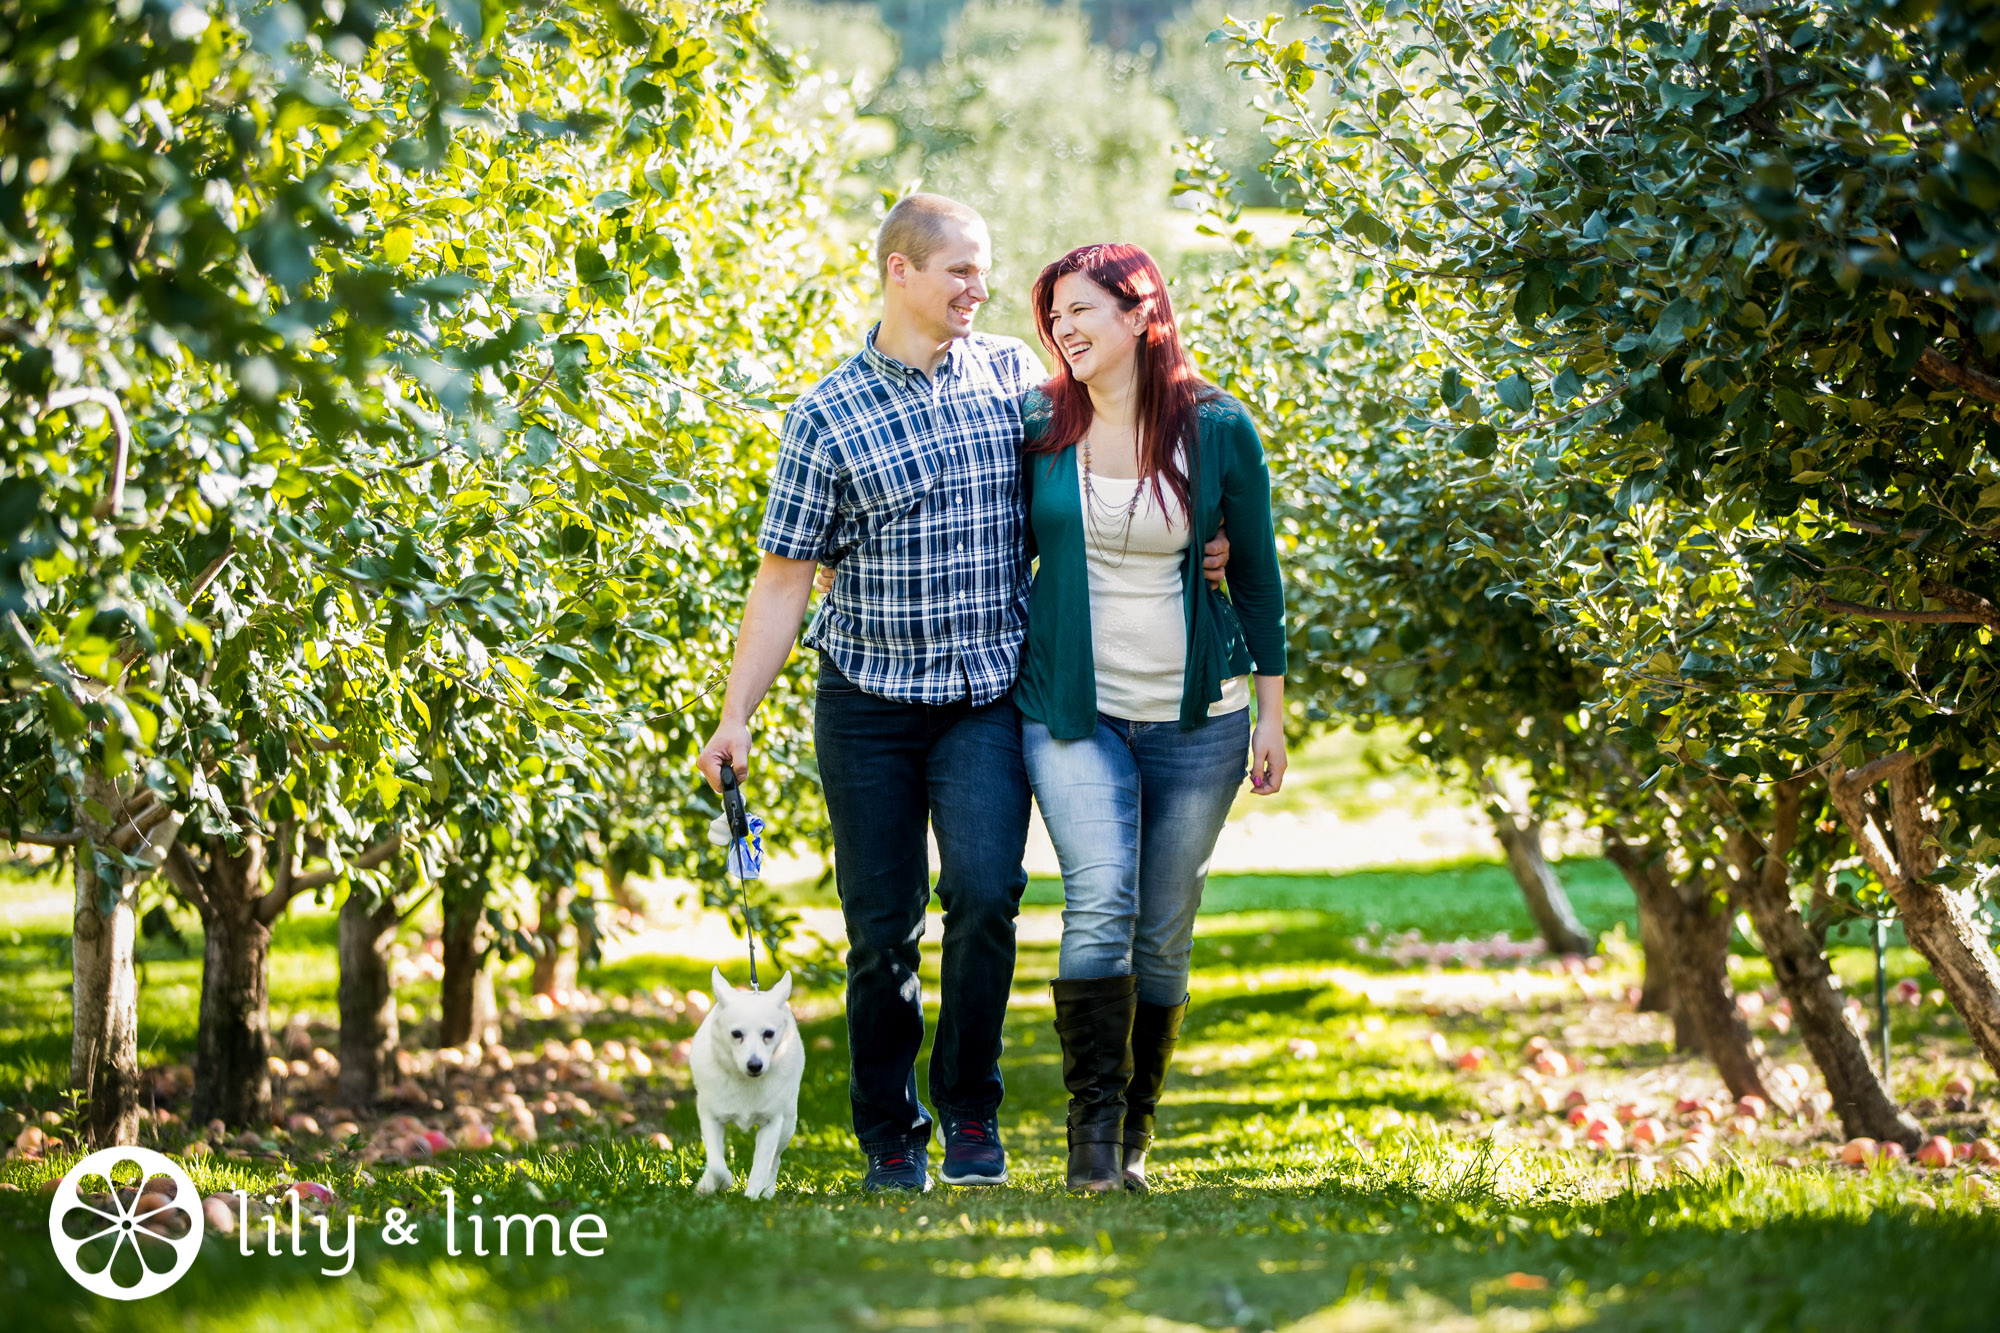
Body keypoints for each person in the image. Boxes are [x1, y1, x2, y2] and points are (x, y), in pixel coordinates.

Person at [1012, 242, 1288, 1193]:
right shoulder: (1039, 423)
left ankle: (1133, 1136)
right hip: (1071, 710)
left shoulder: (1218, 430)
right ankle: (1090, 1142)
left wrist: (1271, 712)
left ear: (1140, 313)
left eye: (1081, 309)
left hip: (1199, 719)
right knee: (1100, 900)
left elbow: (1254, 575)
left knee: (1164, 925)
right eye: (1053, 315)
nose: (1063, 329)